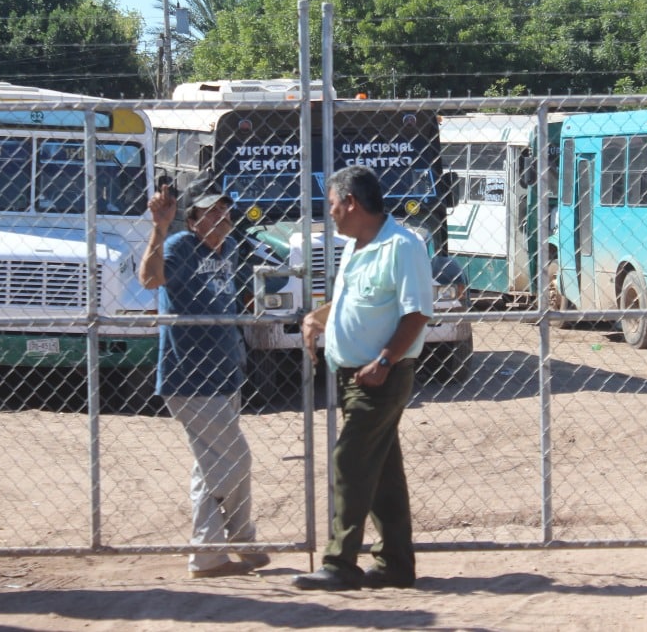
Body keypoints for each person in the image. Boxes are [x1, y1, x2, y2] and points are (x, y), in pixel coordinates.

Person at [292, 165, 433, 591]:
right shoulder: (358, 245)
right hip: (357, 377)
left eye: (332, 205)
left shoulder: (402, 247)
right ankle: (395, 564)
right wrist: (318, 319)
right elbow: (353, 300)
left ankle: (340, 563)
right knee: (383, 473)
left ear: (351, 202)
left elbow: (417, 312)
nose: (330, 214)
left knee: (349, 460)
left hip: (380, 379)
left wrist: (384, 361)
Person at [139, 173, 271, 579]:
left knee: (209, 465)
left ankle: (208, 555)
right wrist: (159, 228)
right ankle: (239, 537)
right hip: (190, 377)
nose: (222, 219)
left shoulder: (230, 247)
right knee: (236, 457)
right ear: (193, 217)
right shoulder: (179, 246)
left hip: (226, 373)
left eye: (225, 211)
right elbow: (149, 279)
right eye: (212, 212)